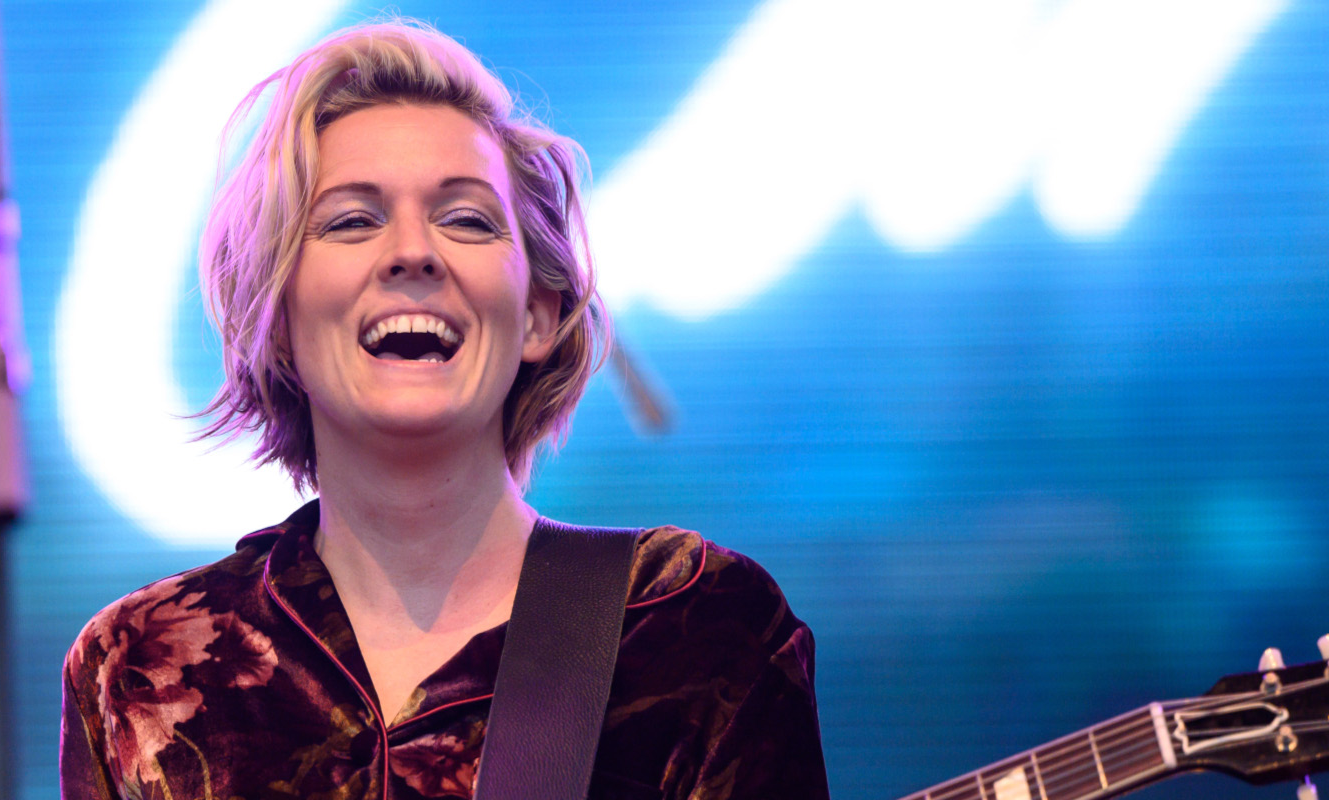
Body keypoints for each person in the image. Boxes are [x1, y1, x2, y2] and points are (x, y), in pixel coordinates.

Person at [60, 20, 829, 800]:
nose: (412, 251)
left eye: (465, 219)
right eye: (352, 220)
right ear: (279, 321)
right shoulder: (136, 669)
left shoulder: (696, 629)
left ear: (536, 313)